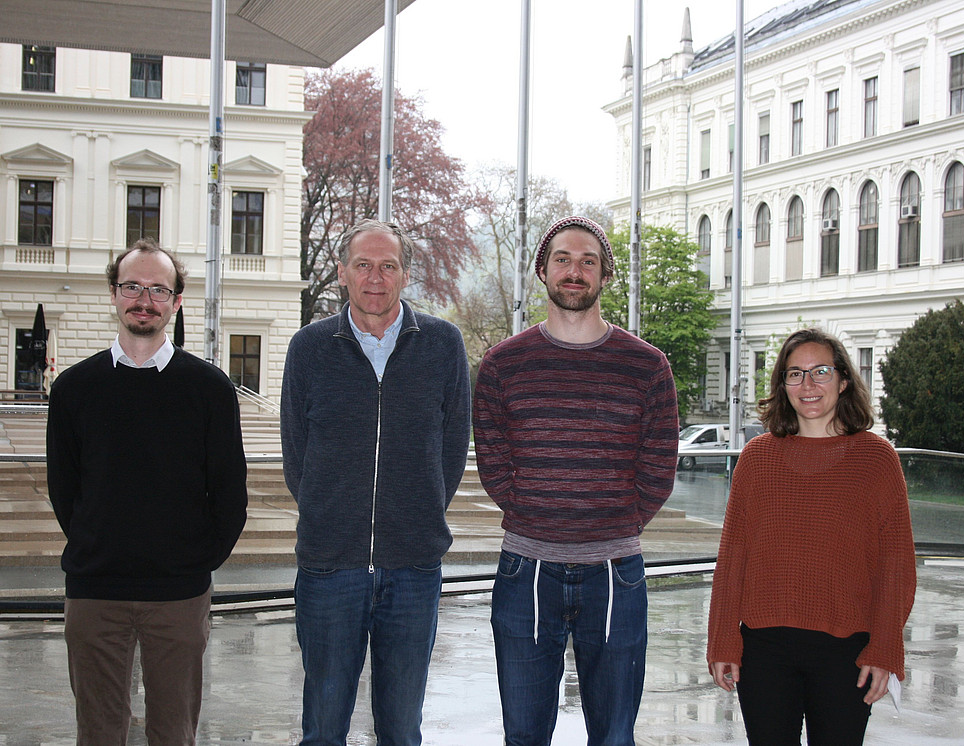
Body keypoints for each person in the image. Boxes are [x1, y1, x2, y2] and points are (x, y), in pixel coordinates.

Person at [473, 215, 679, 746]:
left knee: (614, 737)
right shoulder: (503, 365)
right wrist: (532, 510)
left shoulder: (647, 366)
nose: (574, 270)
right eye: (562, 259)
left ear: (605, 276)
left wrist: (619, 521)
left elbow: (658, 466)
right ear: (543, 271)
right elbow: (494, 461)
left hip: (616, 573)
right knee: (523, 734)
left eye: (589, 261)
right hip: (527, 571)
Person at [46, 238, 248, 745]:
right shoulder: (73, 388)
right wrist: (101, 543)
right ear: (114, 295)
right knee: (97, 731)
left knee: (174, 732)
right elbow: (63, 488)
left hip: (178, 594)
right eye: (133, 286)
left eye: (159, 289)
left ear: (176, 302)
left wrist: (193, 561)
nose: (145, 299)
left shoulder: (210, 390)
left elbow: (229, 494)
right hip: (96, 591)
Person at [281, 219, 471, 746]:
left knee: (401, 730)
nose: (375, 278)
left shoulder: (442, 345)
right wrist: (330, 512)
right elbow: (297, 454)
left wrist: (416, 509)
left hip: (412, 568)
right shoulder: (309, 348)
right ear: (342, 272)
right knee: (322, 728)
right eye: (363, 265)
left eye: (388, 266)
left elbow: (452, 449)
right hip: (328, 568)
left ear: (405, 275)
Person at [707, 327, 917, 745]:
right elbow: (733, 558)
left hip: (847, 652)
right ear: (782, 386)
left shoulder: (877, 460)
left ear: (843, 380)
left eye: (820, 371)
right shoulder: (757, 458)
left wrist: (885, 649)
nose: (808, 385)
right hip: (764, 650)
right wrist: (723, 640)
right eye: (794, 374)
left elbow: (896, 565)